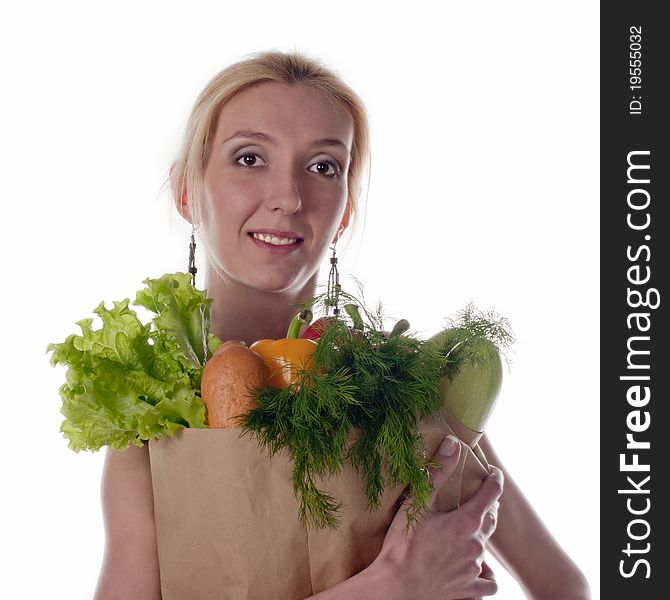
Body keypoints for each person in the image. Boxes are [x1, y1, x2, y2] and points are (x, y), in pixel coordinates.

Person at [94, 50, 591, 600]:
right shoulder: (151, 420)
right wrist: (392, 587)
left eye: (323, 166)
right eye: (250, 158)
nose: (287, 197)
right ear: (188, 191)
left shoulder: (399, 387)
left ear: (346, 210)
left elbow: (564, 586)